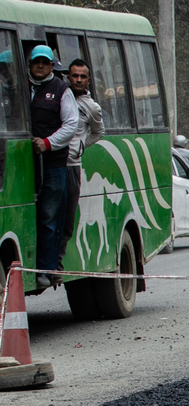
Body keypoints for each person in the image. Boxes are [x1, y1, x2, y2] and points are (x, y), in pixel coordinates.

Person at [27, 45, 79, 287]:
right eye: (36, 61)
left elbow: (71, 125)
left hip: (53, 164)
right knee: (31, 216)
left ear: (51, 65)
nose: (40, 66)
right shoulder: (21, 87)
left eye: (44, 62)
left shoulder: (61, 89)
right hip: (25, 165)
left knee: (50, 217)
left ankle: (45, 270)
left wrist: (47, 144)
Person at [59, 58, 102, 253]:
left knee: (68, 217)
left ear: (88, 80)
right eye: (74, 76)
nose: (78, 80)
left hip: (71, 166)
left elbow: (98, 132)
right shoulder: (60, 95)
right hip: (52, 163)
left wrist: (80, 147)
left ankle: (58, 261)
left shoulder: (92, 107)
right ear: (68, 77)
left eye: (82, 77)